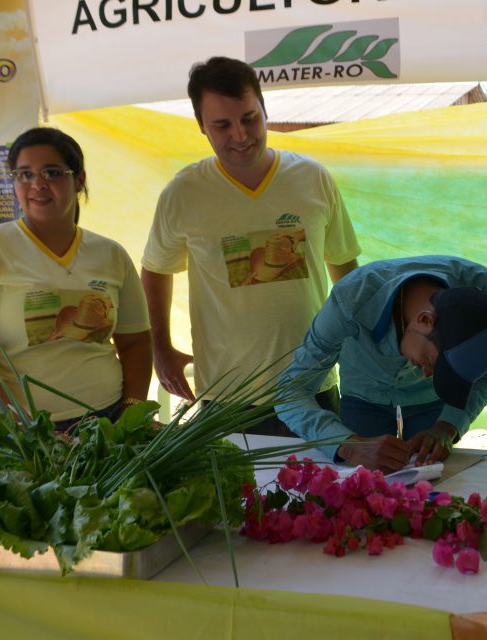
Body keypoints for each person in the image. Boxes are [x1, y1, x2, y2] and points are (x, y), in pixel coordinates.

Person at [141, 56, 360, 433]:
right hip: (226, 395)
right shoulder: (184, 192)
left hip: (311, 384)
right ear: (201, 127)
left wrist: (361, 342)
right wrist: (160, 348)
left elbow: (345, 268)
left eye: (249, 118)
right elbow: (156, 268)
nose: (240, 136)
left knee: (325, 491)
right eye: (222, 125)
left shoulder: (311, 178)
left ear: (264, 109)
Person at [0, 127, 152, 429]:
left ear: (79, 180)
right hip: (15, 432)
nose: (37, 184)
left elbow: (136, 343)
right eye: (24, 174)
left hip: (105, 423)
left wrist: (132, 411)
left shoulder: (110, 254)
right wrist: (15, 422)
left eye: (52, 172)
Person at [276, 256, 487, 472]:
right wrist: (348, 445)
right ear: (426, 320)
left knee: (432, 480)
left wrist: (447, 426)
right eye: (431, 363)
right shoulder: (350, 300)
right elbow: (290, 391)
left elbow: (483, 376)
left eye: (444, 372)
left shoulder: (479, 291)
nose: (428, 375)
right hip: (364, 393)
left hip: (431, 402)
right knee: (361, 485)